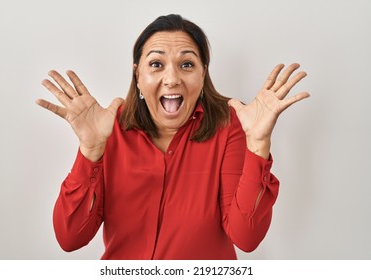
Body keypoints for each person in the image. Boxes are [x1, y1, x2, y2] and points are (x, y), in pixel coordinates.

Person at [36, 14, 309, 260]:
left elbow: (246, 237)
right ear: (138, 75)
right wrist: (90, 150)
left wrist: (258, 145)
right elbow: (70, 238)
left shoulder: (230, 126)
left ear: (203, 74)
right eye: (156, 64)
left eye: (187, 64)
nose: (171, 79)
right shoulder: (109, 130)